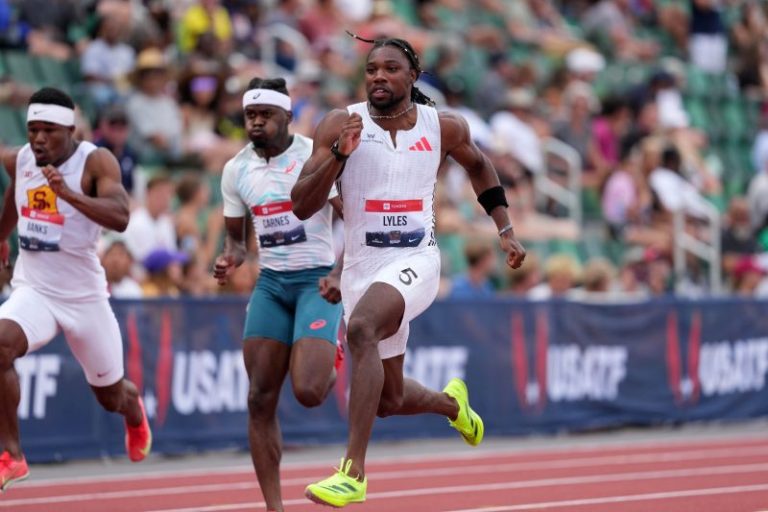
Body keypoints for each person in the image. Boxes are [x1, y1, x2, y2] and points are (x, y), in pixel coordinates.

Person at [291, 36, 526, 508]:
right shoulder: (341, 123)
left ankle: (353, 473)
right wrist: (338, 154)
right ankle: (452, 405)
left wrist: (505, 228)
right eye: (372, 69)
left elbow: (481, 168)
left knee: (361, 329)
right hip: (362, 265)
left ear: (412, 76)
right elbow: (301, 204)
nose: (379, 76)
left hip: (417, 259)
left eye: (390, 68)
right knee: (388, 399)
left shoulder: (444, 127)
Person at [0, 87, 152, 491]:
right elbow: (15, 200)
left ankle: (133, 409)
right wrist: (1, 236)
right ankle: (12, 455)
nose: (38, 139)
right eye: (33, 129)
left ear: (71, 130)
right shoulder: (22, 160)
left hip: (84, 298)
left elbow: (120, 217)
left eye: (48, 130)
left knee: (109, 396)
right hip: (35, 290)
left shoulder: (95, 161)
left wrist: (67, 193)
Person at [212, 77, 344, 512]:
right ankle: (274, 507)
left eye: (266, 115)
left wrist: (341, 271)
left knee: (308, 391)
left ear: (287, 116)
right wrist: (229, 259)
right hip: (271, 283)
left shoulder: (314, 154)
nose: (256, 123)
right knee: (259, 398)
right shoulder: (236, 169)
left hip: (317, 280)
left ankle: (332, 353)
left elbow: (355, 221)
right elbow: (237, 242)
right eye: (250, 115)